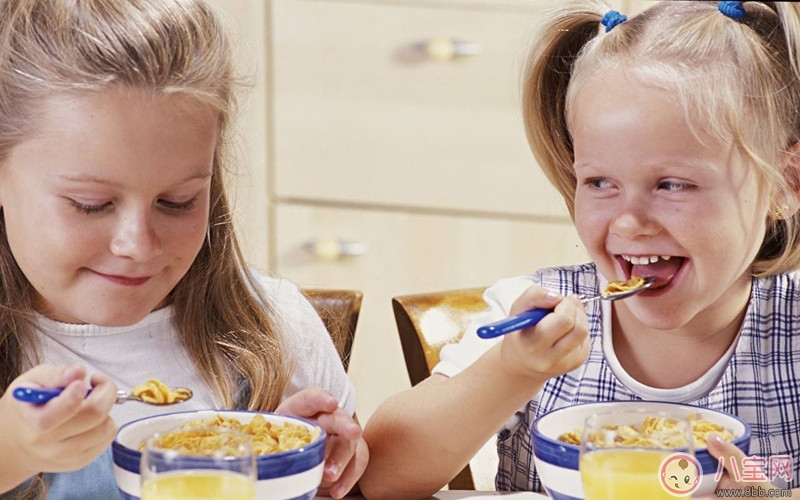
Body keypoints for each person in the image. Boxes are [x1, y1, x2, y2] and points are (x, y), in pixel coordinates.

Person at [360, 1, 800, 498]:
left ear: (785, 185)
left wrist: (757, 486)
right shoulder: (534, 313)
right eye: (599, 182)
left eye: (673, 185)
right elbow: (381, 477)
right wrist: (512, 370)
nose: (630, 221)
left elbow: (778, 474)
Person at [0, 1, 368, 498]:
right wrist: (12, 452)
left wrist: (289, 473)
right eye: (92, 204)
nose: (138, 245)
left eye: (177, 202)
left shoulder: (276, 329)